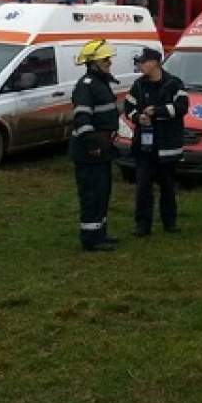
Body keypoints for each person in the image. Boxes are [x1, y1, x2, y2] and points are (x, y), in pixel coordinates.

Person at [124, 47, 190, 235]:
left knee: (167, 186)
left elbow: (182, 107)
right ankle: (142, 225)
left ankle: (170, 222)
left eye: (143, 62)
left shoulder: (174, 84)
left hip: (167, 145)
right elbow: (128, 106)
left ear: (154, 63)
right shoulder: (138, 85)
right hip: (145, 147)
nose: (140, 65)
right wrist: (137, 117)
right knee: (143, 187)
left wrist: (158, 111)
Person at [70, 39, 122, 252]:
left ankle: (100, 233)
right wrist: (92, 145)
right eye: (105, 59)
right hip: (89, 152)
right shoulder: (87, 86)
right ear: (93, 63)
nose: (109, 62)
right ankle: (90, 239)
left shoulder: (101, 83)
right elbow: (82, 119)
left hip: (102, 148)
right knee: (92, 195)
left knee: (102, 193)